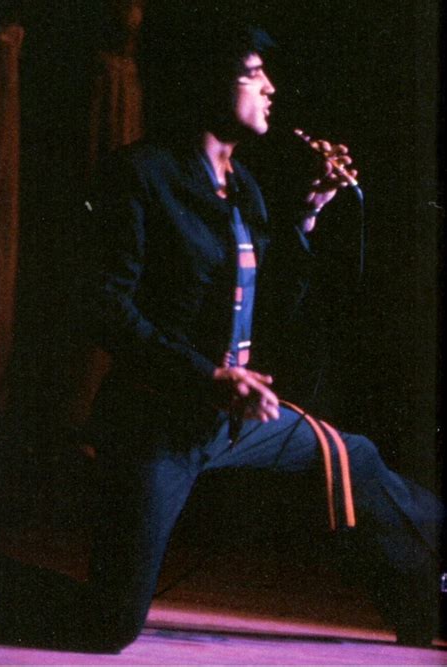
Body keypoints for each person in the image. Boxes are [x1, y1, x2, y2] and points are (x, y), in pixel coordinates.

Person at [77, 15, 444, 654]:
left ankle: (426, 606)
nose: (270, 87)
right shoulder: (141, 175)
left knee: (348, 456)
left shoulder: (243, 187)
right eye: (252, 74)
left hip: (232, 422)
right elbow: (104, 306)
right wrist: (208, 376)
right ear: (204, 85)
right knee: (107, 627)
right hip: (156, 426)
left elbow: (272, 309)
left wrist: (306, 218)